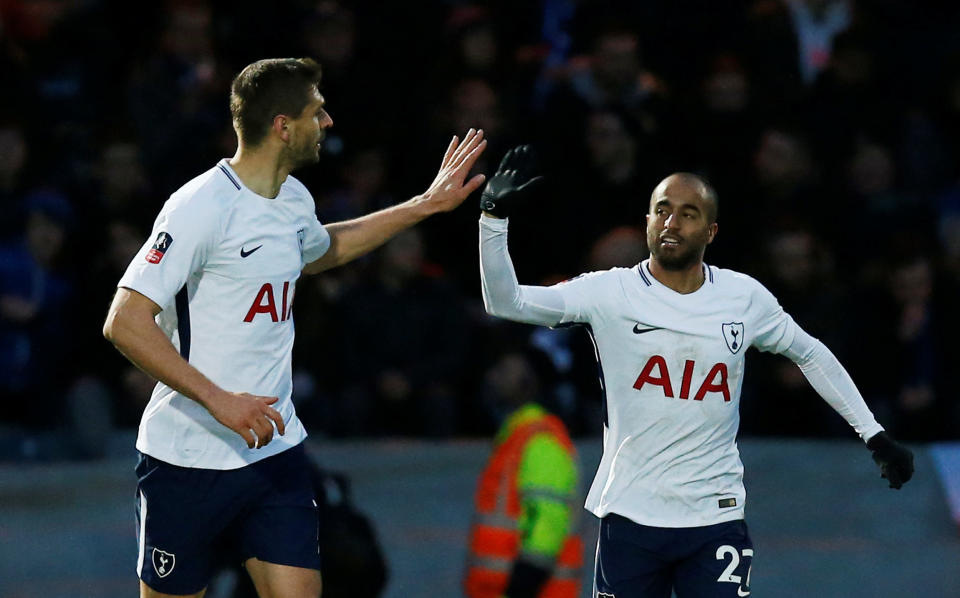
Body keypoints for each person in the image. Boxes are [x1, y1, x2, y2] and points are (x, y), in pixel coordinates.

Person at [102, 57, 487, 598]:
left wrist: (424, 206)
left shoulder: (293, 200)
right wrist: (220, 400)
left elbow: (325, 248)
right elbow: (124, 321)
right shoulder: (199, 206)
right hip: (187, 457)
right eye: (317, 111)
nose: (328, 123)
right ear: (283, 126)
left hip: (274, 451)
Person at [476, 146, 915, 598]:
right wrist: (493, 218)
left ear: (711, 230)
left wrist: (874, 435)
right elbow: (506, 302)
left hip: (714, 516)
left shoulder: (744, 298)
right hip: (631, 514)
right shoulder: (609, 291)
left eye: (688, 213)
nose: (671, 222)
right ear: (647, 221)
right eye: (662, 211)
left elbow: (812, 354)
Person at [464, 350, 583, 598]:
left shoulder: (540, 441)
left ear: (530, 383)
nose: (492, 378)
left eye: (504, 370)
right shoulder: (518, 436)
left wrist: (520, 588)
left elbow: (547, 528)